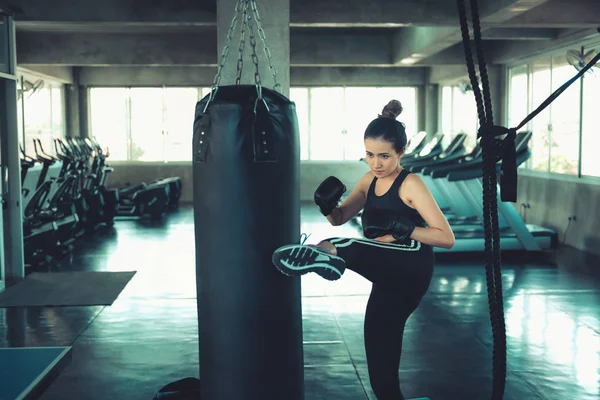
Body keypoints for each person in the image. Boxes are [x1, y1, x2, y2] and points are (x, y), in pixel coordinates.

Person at [271, 100, 455, 400]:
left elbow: (446, 238)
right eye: (370, 154)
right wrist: (327, 207)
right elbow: (340, 218)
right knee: (380, 370)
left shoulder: (411, 184)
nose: (375, 163)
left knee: (348, 246)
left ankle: (322, 254)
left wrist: (405, 228)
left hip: (412, 265)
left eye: (384, 156)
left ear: (401, 153)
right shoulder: (369, 180)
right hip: (386, 277)